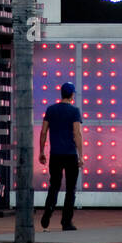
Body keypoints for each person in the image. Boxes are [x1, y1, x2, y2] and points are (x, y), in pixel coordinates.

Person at [39, 82, 83, 231]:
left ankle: (47, 213)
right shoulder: (74, 111)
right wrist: (81, 156)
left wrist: (41, 151)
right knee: (71, 189)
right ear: (71, 95)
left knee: (54, 186)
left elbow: (44, 131)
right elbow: (77, 133)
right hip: (70, 154)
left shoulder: (51, 109)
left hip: (55, 155)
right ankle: (66, 222)